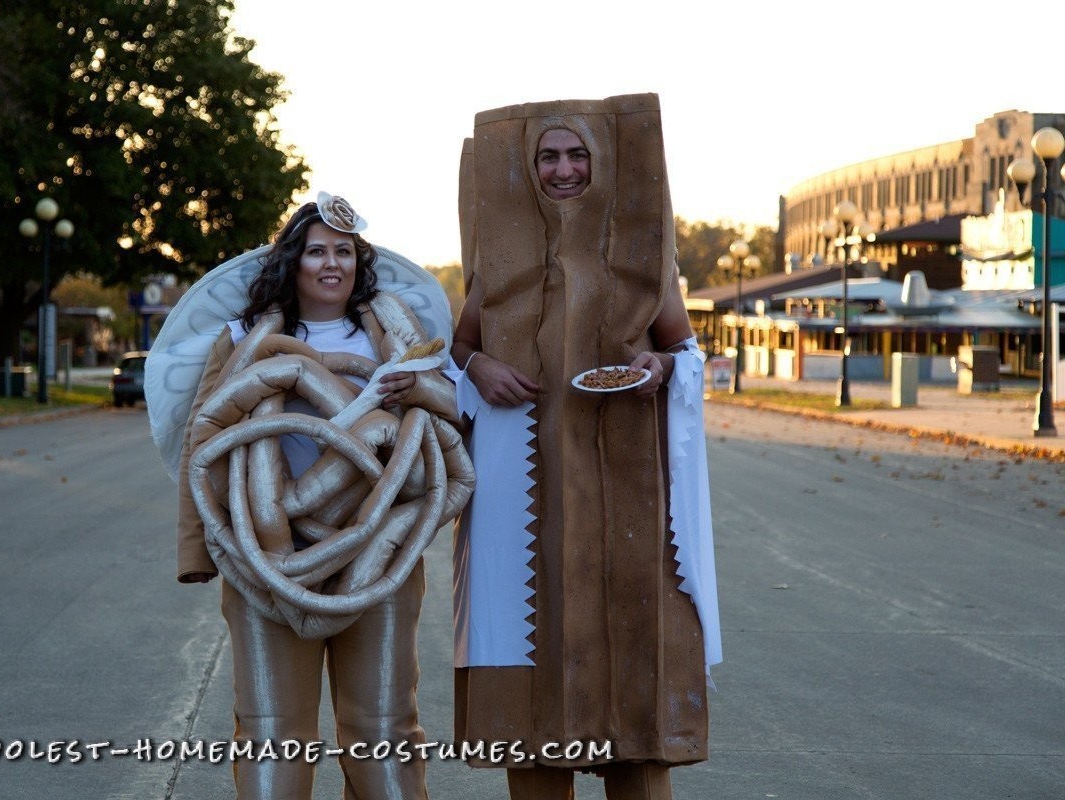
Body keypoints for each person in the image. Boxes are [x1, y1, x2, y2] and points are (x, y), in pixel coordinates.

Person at [154, 194, 473, 800]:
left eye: (345, 252)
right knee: (272, 732)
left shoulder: (400, 336)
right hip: (265, 559)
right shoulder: (244, 336)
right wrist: (197, 551)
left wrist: (419, 393)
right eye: (317, 250)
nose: (332, 264)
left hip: (377, 552)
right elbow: (205, 436)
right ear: (291, 260)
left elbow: (459, 421)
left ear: (360, 261)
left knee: (386, 731)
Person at [451, 94, 721, 800]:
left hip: (625, 490)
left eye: (578, 155)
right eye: (548, 156)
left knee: (631, 654)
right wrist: (479, 367)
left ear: (601, 167)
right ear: (527, 167)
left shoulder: (641, 264)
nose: (564, 169)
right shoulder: (497, 264)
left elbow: (685, 351)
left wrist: (658, 370)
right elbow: (458, 347)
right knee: (526, 653)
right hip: (519, 497)